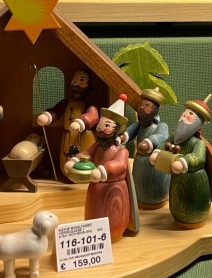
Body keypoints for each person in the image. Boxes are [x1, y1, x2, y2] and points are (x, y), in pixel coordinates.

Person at [67, 95, 138, 242]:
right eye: (99, 125)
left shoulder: (121, 151)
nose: (100, 129)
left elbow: (120, 165)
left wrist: (102, 170)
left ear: (116, 130)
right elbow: (87, 154)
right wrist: (74, 160)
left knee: (113, 215)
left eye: (106, 125)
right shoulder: (97, 146)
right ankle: (93, 234)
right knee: (94, 212)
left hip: (114, 190)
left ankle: (114, 233)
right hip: (95, 187)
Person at [150, 95, 212, 228]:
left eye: (190, 115)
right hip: (177, 179)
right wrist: (157, 152)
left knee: (190, 203)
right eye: (184, 113)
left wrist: (184, 163)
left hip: (193, 181)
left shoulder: (198, 143)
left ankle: (195, 217)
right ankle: (178, 215)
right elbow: (164, 144)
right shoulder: (175, 138)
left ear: (198, 123)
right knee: (177, 199)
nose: (184, 116)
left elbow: (198, 158)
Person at [35, 69, 98, 179]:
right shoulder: (66, 103)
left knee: (81, 158)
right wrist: (47, 117)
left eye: (81, 81)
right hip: (67, 138)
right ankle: (67, 174)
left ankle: (80, 176)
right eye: (74, 81)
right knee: (66, 158)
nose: (76, 85)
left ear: (89, 88)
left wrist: (81, 122)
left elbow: (93, 116)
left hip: (83, 138)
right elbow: (57, 111)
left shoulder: (89, 105)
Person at [121, 88, 170, 209]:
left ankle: (157, 199)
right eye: (141, 105)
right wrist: (123, 137)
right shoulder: (139, 125)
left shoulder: (162, 126)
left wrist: (148, 143)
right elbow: (130, 132)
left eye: (147, 106)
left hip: (154, 164)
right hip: (139, 162)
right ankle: (139, 198)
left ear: (155, 110)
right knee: (139, 184)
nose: (142, 108)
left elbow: (161, 136)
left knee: (153, 186)